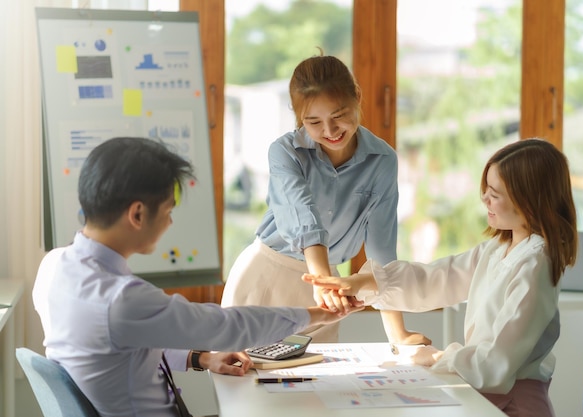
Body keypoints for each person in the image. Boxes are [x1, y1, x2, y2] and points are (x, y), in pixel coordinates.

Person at [32, 137, 362, 417]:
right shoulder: (120, 299)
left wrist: (199, 358)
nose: (170, 223)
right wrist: (319, 313)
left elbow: (117, 346)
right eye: (168, 211)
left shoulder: (55, 266)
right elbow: (225, 326)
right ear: (137, 214)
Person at [303, 138, 578, 417]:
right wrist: (364, 283)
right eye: (486, 190)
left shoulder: (535, 264)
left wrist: (438, 357)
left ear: (529, 203)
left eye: (495, 194)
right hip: (487, 396)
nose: (484, 199)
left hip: (514, 405)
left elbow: (498, 363)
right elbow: (438, 278)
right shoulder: (499, 249)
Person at [220, 53, 429, 345]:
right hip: (266, 279)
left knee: (318, 385)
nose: (329, 131)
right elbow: (305, 220)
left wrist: (398, 334)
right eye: (313, 121)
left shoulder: (383, 161)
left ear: (356, 97)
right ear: (298, 116)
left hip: (326, 286)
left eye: (338, 116)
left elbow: (381, 251)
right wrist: (322, 281)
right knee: (242, 383)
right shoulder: (285, 153)